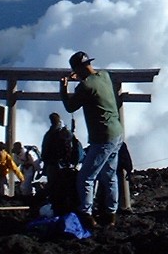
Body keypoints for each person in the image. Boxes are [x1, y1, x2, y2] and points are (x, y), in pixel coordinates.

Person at [61, 51, 124, 228]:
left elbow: (70, 106)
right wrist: (81, 78)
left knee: (86, 177)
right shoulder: (105, 75)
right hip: (117, 132)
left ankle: (86, 215)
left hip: (103, 137)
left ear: (78, 69)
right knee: (110, 175)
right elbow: (93, 83)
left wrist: (64, 88)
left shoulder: (85, 87)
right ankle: (111, 214)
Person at [41, 112, 79, 215]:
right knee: (63, 187)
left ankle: (58, 208)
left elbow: (45, 150)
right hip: (64, 165)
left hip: (56, 165)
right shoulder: (67, 133)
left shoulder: (50, 134)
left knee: (56, 187)